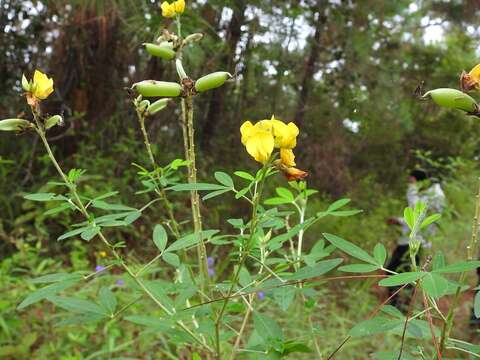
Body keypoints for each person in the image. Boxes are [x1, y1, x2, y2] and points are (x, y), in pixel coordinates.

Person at [386, 168, 446, 309]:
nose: (409, 183)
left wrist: (412, 189)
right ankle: (402, 304)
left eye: (410, 180)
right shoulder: (431, 193)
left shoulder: (433, 195)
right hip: (416, 240)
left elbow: (418, 216)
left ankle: (400, 306)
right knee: (405, 272)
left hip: (413, 241)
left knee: (394, 271)